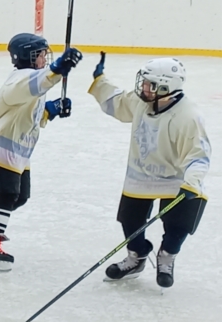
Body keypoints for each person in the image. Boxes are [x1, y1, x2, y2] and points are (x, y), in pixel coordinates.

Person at [0, 33, 82, 271]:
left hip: (19, 151)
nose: (45, 57)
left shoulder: (31, 80)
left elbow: (30, 112)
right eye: (42, 54)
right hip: (3, 146)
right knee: (7, 194)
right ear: (30, 56)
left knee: (20, 196)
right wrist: (58, 68)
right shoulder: (20, 80)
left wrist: (52, 110)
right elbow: (37, 84)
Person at [88, 53, 210, 288]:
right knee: (130, 218)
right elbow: (118, 103)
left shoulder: (187, 116)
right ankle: (137, 255)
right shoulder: (142, 101)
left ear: (166, 87)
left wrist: (192, 183)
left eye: (149, 84)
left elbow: (198, 154)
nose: (142, 87)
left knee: (180, 221)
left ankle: (167, 254)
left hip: (177, 177)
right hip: (141, 172)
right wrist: (100, 81)